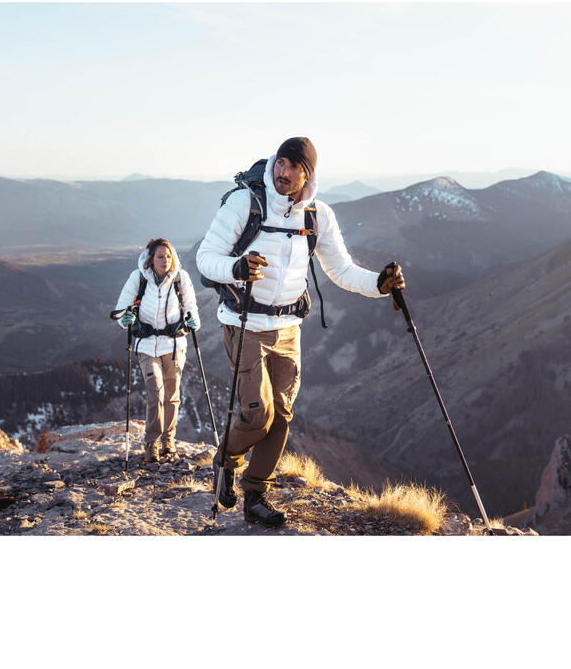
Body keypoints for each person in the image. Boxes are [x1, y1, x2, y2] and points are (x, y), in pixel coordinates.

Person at [197, 137, 405, 527]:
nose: (283, 172)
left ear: (307, 174)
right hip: (246, 323)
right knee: (258, 415)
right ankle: (226, 459)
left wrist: (380, 284)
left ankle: (256, 494)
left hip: (288, 328)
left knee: (282, 416)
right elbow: (206, 259)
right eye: (280, 163)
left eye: (294, 167)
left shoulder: (317, 216)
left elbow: (340, 270)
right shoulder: (245, 204)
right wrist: (237, 269)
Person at [115, 238, 199, 463]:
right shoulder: (138, 278)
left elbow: (191, 308)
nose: (166, 260)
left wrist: (193, 323)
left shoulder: (181, 278)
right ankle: (151, 444)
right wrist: (126, 319)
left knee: (172, 396)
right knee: (156, 394)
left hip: (174, 345)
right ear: (151, 259)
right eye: (160, 256)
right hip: (147, 346)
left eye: (169, 256)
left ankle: (168, 441)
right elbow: (120, 310)